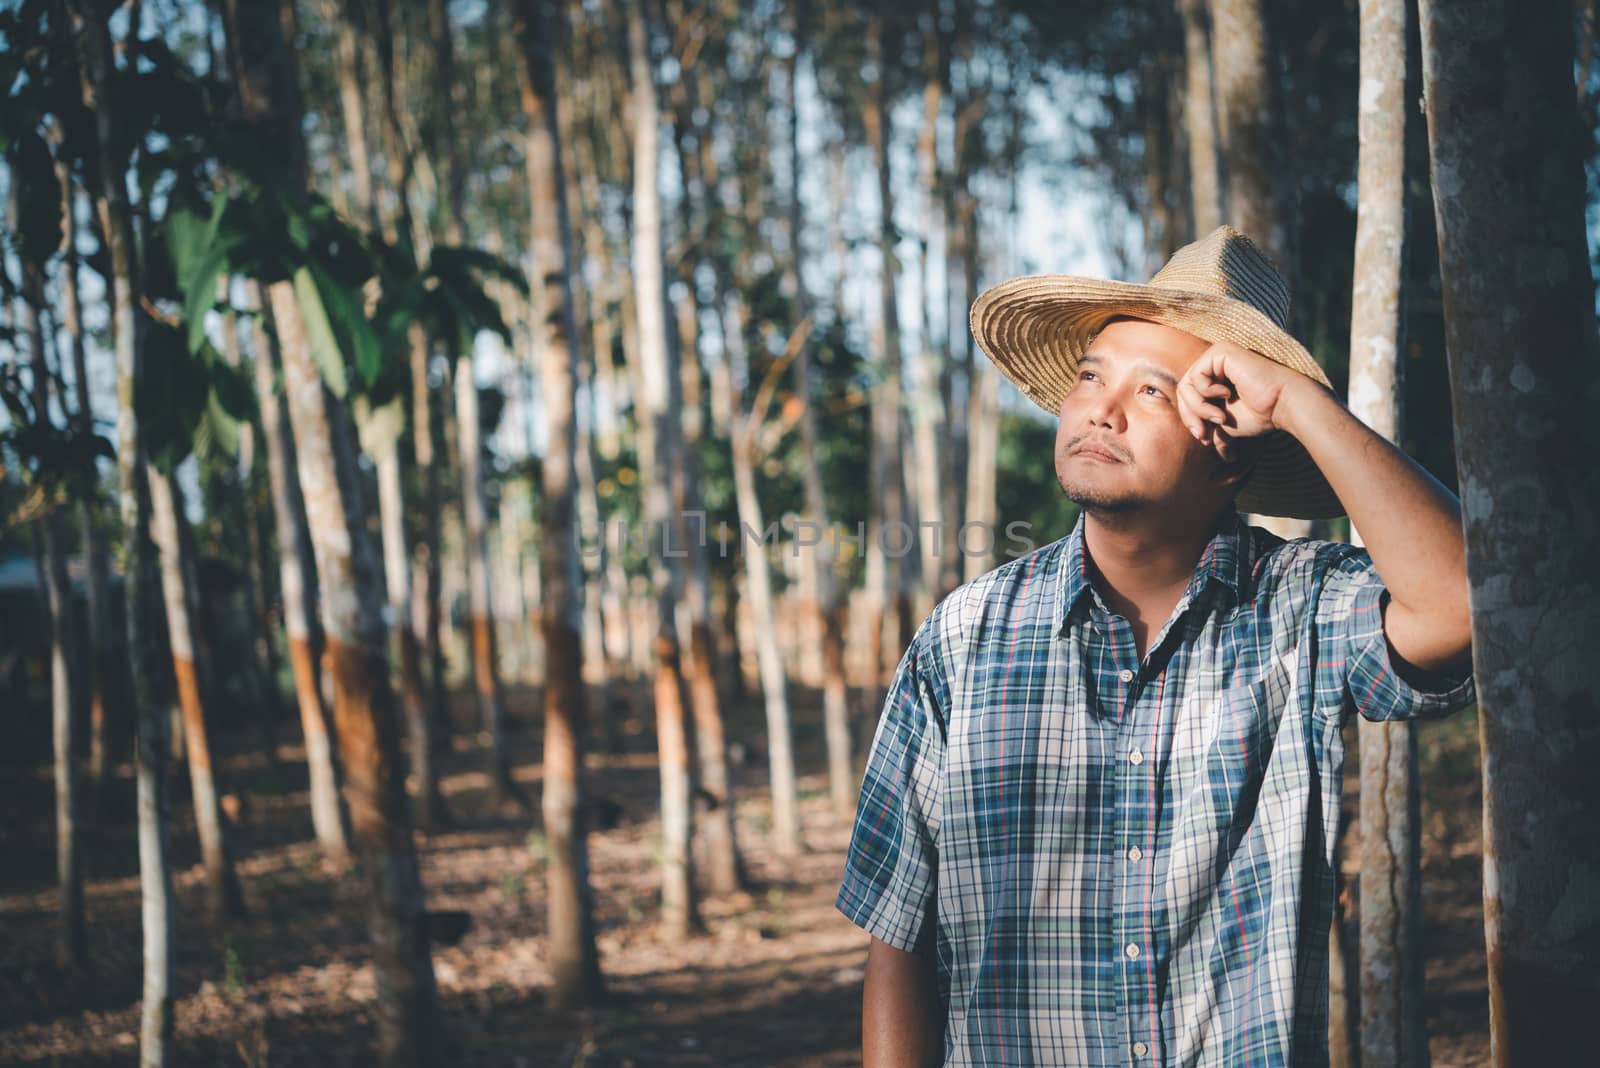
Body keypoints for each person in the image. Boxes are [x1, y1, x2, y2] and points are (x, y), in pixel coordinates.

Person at [837, 225, 1476, 1067]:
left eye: (1151, 392)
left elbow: (1465, 605)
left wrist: (1296, 401)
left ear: (1230, 454)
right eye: (1091, 377)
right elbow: (899, 939)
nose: (1099, 407)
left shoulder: (1302, 607)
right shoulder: (963, 638)